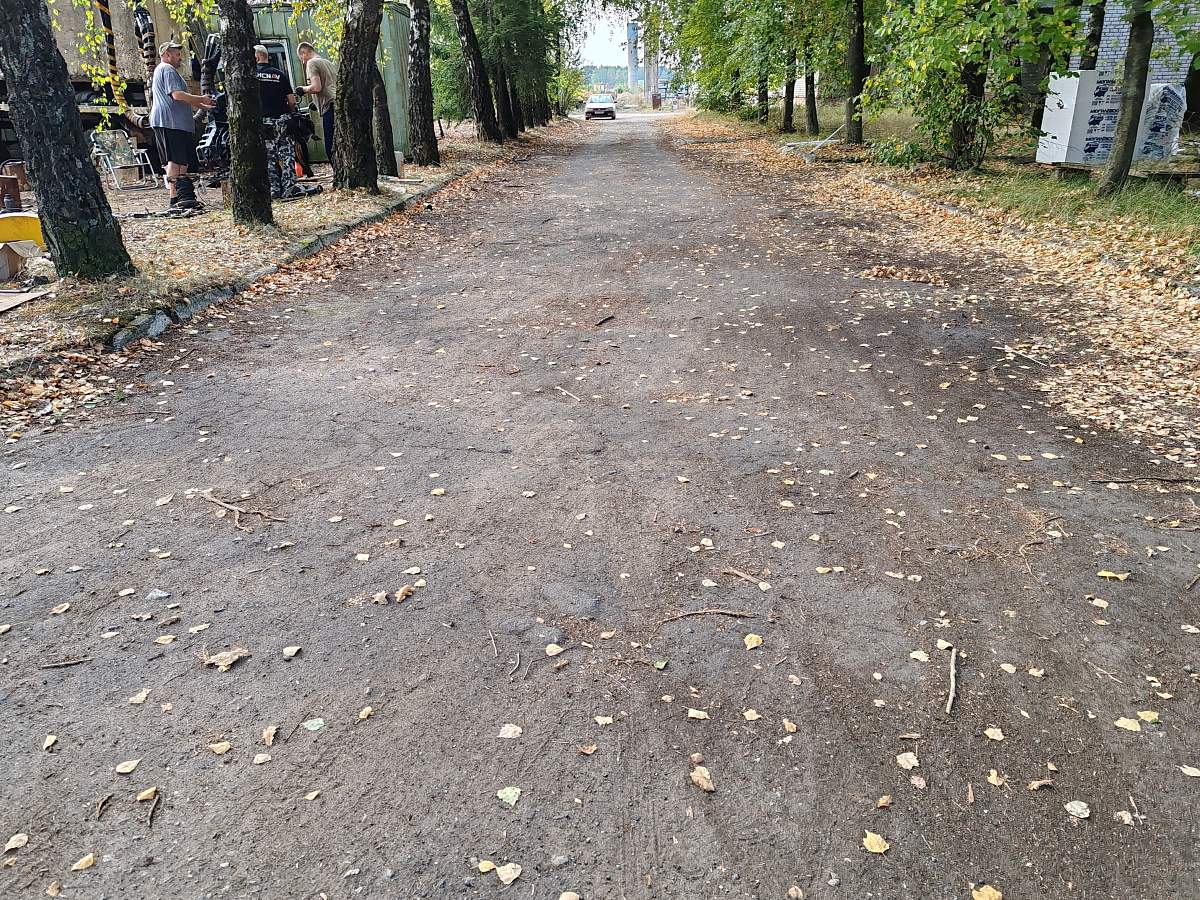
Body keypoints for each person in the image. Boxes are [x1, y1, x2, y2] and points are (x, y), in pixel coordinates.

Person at [149, 40, 214, 209]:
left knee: (182, 161)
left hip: (177, 123)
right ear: (166, 55)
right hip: (170, 122)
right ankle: (174, 198)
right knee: (173, 161)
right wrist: (201, 99)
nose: (180, 58)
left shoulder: (167, 71)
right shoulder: (167, 69)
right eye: (177, 55)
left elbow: (182, 98)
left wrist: (203, 105)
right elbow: (177, 95)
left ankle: (183, 195)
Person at [253, 44, 298, 199]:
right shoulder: (279, 74)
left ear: (256, 58)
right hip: (282, 120)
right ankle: (289, 188)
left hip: (264, 122)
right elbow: (291, 100)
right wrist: (291, 113)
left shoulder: (252, 76)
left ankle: (274, 189)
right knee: (287, 154)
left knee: (269, 156)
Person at [295, 42, 337, 162]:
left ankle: (337, 170)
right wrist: (316, 102)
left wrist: (302, 89)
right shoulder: (328, 63)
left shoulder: (311, 63)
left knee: (330, 147)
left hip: (329, 106)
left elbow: (316, 87)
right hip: (337, 103)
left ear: (304, 53)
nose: (303, 62)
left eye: (301, 58)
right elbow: (329, 85)